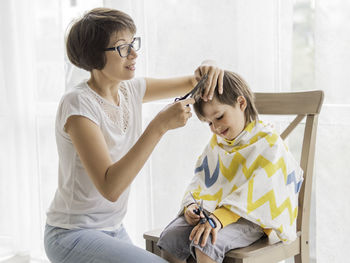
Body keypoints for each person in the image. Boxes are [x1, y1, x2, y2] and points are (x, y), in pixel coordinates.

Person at [44, 7, 225, 263]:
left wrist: (212, 65)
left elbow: (194, 81)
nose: (134, 53)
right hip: (71, 234)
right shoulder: (78, 104)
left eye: (133, 43)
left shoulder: (130, 90)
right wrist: (159, 126)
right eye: (122, 47)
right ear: (95, 57)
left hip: (113, 231)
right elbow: (110, 187)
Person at [157, 71, 304, 263]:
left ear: (241, 103)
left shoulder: (268, 142)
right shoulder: (217, 143)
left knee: (205, 243)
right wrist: (191, 206)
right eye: (209, 123)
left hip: (253, 217)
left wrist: (220, 218)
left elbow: (263, 190)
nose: (215, 128)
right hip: (214, 210)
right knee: (170, 239)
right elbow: (201, 179)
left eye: (219, 117)